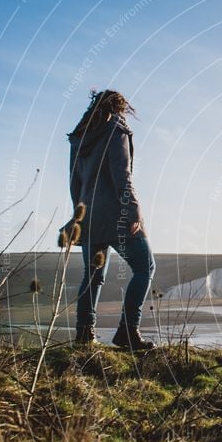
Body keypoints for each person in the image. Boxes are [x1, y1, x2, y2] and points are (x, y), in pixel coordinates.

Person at [68, 89, 156, 350]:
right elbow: (122, 175)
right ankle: (128, 331)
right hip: (116, 213)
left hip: (88, 214)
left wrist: (79, 215)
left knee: (92, 275)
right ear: (119, 108)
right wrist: (133, 212)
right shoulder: (115, 130)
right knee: (145, 267)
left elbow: (75, 183)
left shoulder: (79, 139)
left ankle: (85, 335)